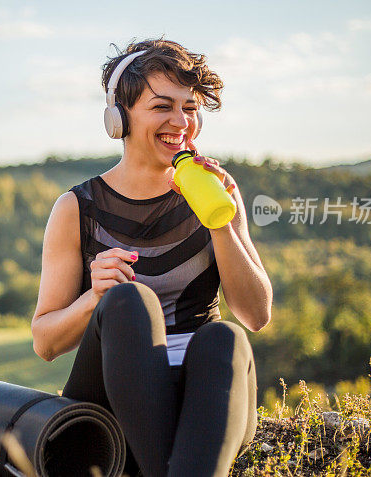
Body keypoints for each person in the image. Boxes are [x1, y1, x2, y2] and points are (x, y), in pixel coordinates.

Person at [31, 37, 273, 477]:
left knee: (226, 338)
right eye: (163, 107)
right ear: (119, 118)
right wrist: (95, 297)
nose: (181, 122)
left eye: (191, 108)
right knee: (128, 301)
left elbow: (255, 314)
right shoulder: (77, 208)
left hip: (201, 401)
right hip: (111, 401)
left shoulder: (220, 190)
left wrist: (219, 220)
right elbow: (45, 343)